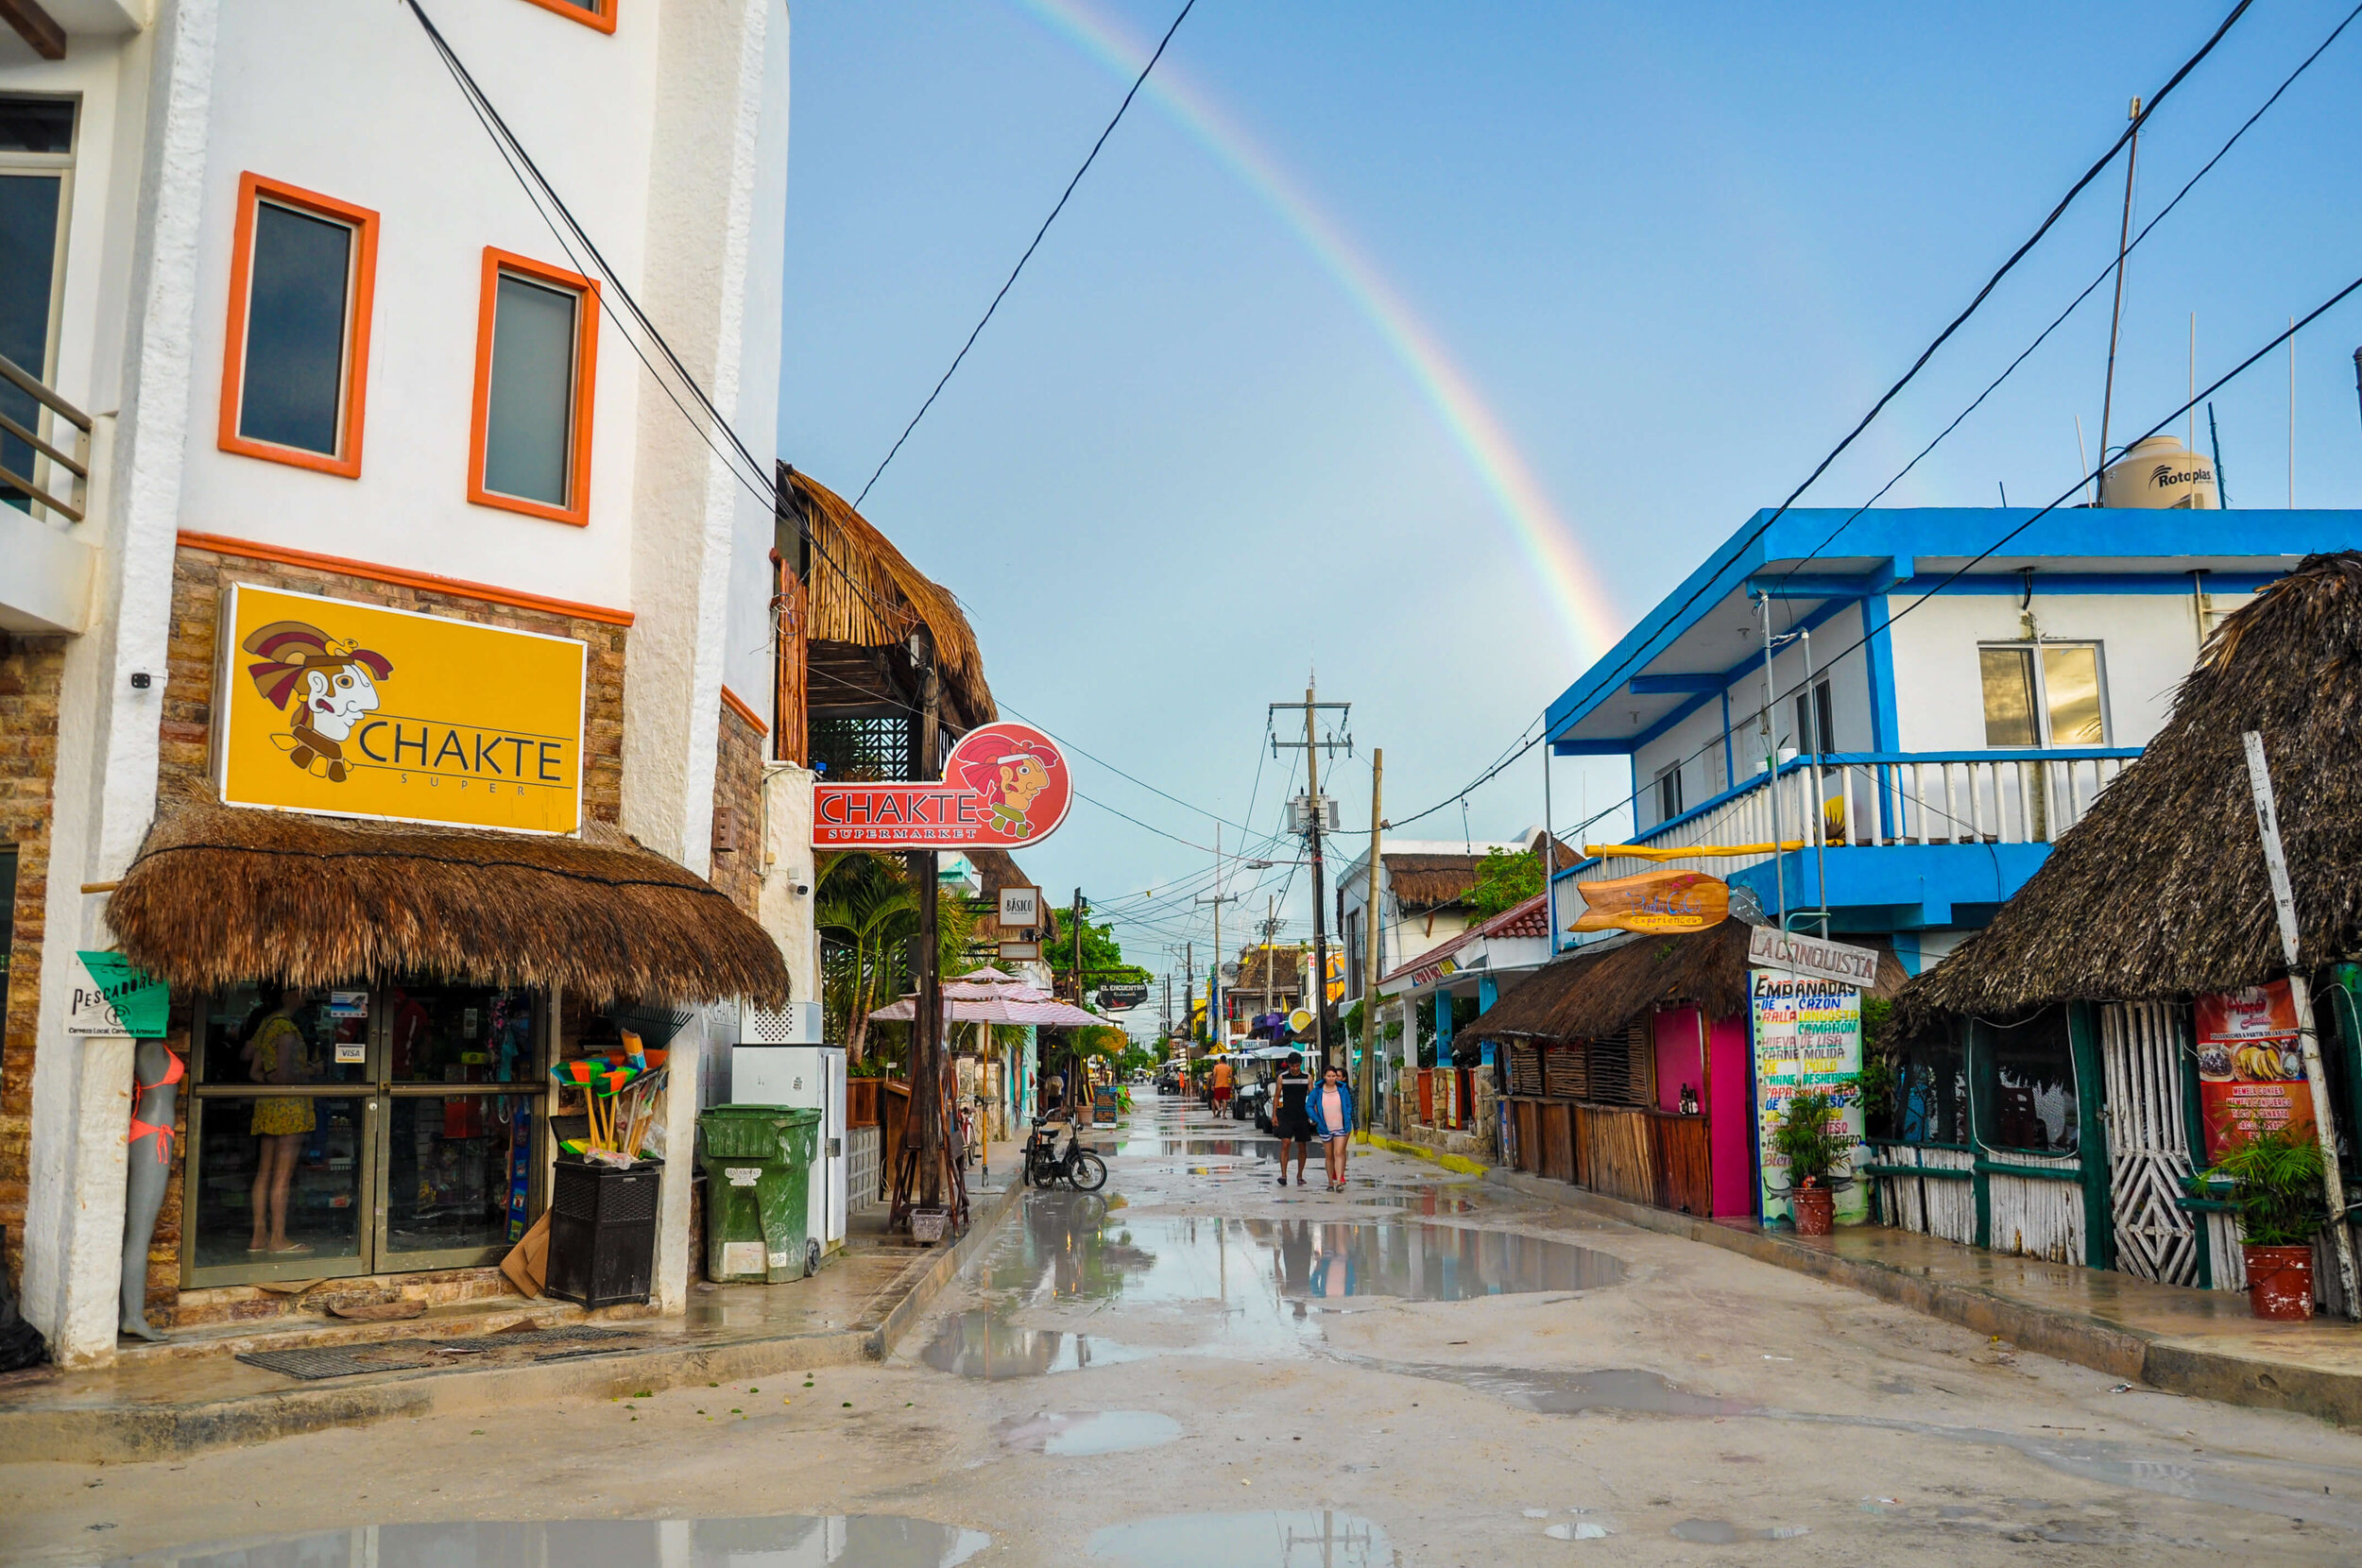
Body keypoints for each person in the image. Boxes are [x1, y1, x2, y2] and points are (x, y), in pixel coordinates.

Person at [241, 986, 315, 1254]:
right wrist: (310, 1070)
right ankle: (278, 1239)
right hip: (290, 1106)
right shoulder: (286, 1029)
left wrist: (272, 1080)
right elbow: (284, 1074)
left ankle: (258, 1236)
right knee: (283, 1176)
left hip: (268, 1104)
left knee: (264, 1172)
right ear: (287, 996)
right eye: (300, 991)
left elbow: (254, 1069)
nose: (305, 996)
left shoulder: (267, 1024)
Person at [1311, 1062, 1356, 1191]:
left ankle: (1339, 1182)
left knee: (1339, 1152)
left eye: (1333, 1076)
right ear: (1324, 1076)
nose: (1331, 1078)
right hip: (1325, 1127)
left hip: (1340, 1127)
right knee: (1329, 1155)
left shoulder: (1342, 1090)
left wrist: (1346, 1117)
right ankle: (1330, 1182)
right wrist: (1316, 1119)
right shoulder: (1318, 1091)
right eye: (1329, 1076)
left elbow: (1348, 1105)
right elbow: (1309, 1105)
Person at [1272, 1053, 1313, 1187]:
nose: (1295, 1069)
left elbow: (1312, 1097)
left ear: (1300, 1064)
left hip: (1302, 1115)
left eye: (1297, 1066)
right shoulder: (1282, 1078)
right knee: (1285, 1143)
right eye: (1292, 1066)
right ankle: (1283, 1175)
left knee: (1302, 1146)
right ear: (1288, 1065)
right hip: (1286, 1115)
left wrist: (1315, 1115)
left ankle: (1300, 1175)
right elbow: (1277, 1097)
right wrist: (1274, 1115)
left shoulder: (1307, 1078)